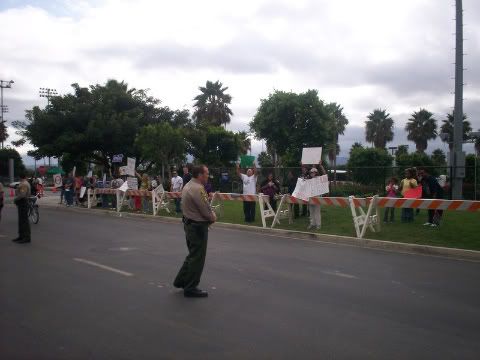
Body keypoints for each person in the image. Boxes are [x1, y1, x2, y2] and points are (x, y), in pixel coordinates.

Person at [173, 165, 216, 298]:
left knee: (192, 255)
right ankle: (190, 287)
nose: (208, 176)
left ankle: (181, 280)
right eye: (207, 173)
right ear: (200, 175)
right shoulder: (198, 189)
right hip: (197, 227)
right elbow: (205, 209)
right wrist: (213, 216)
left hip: (189, 224)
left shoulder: (188, 185)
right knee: (197, 258)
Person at [12, 174, 31, 244]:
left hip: (23, 202)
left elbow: (22, 195)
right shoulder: (23, 183)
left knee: (24, 221)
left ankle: (26, 237)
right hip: (22, 202)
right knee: (21, 220)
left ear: (20, 177)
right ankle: (21, 236)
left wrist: (15, 199)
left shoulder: (24, 184)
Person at [308, 164, 327, 230]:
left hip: (317, 197)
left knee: (317, 211)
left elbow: (325, 175)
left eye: (313, 172)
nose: (311, 173)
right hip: (310, 197)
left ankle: (318, 225)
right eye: (311, 172)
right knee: (311, 212)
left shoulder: (319, 179)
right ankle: (312, 223)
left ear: (316, 173)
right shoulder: (309, 180)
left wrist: (321, 166)